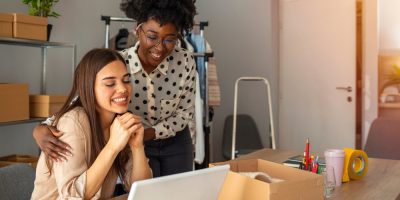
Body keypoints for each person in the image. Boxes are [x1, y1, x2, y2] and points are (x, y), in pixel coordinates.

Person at [33, 0, 197, 178]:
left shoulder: (185, 61)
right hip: (133, 144)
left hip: (175, 142)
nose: (159, 47)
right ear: (138, 29)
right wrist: (42, 128)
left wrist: (149, 133)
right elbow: (84, 100)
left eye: (170, 39)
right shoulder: (118, 63)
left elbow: (184, 113)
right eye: (152, 37)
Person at [31, 48, 152, 199]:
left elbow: (140, 189)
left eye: (126, 80)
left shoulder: (119, 121)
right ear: (89, 87)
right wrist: (113, 146)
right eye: (109, 83)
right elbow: (72, 196)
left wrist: (137, 147)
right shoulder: (74, 122)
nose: (122, 89)